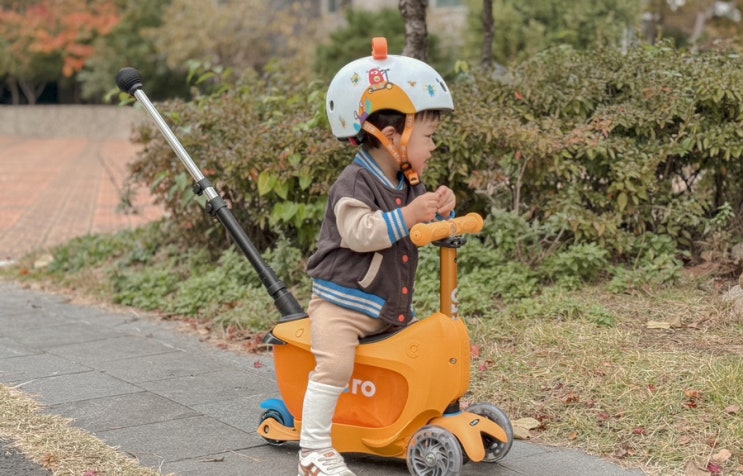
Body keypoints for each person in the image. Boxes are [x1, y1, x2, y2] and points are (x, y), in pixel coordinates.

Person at [297, 37, 456, 476]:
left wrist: (443, 209)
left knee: (418, 355)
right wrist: (408, 216)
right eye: (428, 137)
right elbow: (358, 232)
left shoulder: (408, 182)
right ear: (390, 137)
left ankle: (402, 422)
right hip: (341, 307)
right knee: (335, 366)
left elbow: (420, 224)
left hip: (388, 306)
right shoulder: (354, 183)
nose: (433, 147)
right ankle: (313, 451)